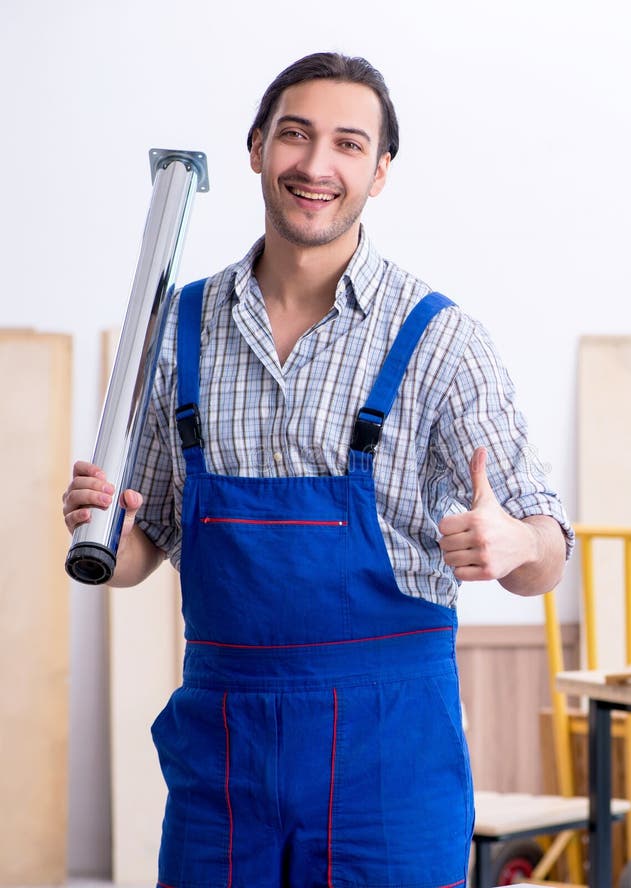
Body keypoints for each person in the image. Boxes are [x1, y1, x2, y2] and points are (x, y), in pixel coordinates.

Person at [63, 52, 573, 888]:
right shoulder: (177, 330)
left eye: (347, 143)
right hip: (224, 761)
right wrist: (97, 528)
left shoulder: (441, 341)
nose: (315, 164)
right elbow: (139, 547)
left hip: (390, 765)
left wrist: (515, 543)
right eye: (295, 135)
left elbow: (547, 555)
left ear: (379, 173)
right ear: (257, 147)